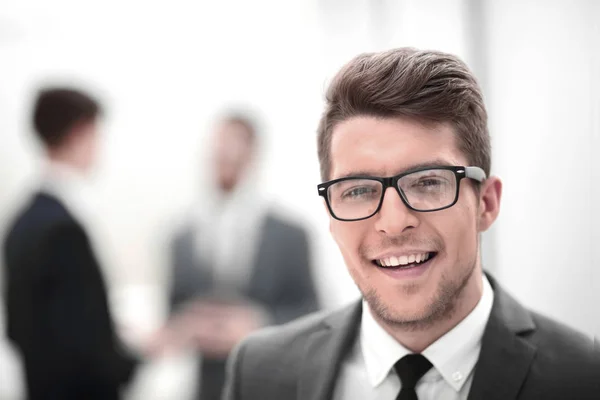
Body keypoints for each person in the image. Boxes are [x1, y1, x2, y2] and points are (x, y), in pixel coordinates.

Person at [222, 48, 600, 400]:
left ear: (486, 203)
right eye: (358, 191)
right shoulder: (259, 373)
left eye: (428, 183)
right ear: (331, 218)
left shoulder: (583, 376)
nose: (393, 222)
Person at [2, 87, 162, 400]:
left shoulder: (21, 220)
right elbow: (84, 350)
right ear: (80, 133)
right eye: (97, 135)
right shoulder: (63, 230)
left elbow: (22, 328)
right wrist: (139, 355)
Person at [167, 111, 319, 400]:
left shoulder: (289, 234)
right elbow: (173, 307)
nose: (221, 155)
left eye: (230, 146)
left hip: (272, 384)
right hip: (207, 386)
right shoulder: (182, 235)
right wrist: (187, 324)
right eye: (216, 148)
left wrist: (259, 323)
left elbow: (312, 310)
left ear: (252, 153)